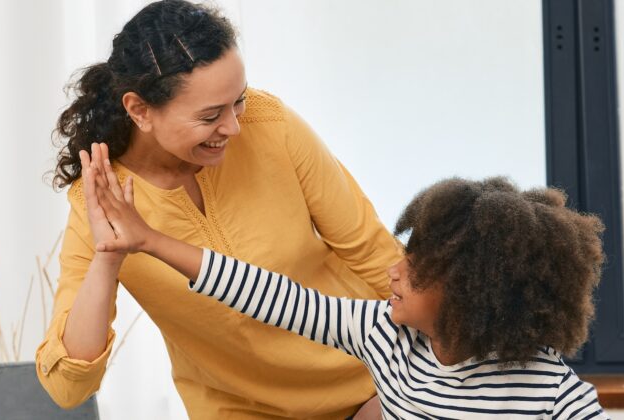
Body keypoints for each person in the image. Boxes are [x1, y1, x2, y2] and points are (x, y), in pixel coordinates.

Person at [35, 1, 403, 418]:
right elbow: (68, 386)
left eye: (238, 101)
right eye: (210, 115)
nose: (233, 127)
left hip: (376, 384)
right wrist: (108, 260)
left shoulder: (271, 126)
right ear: (139, 110)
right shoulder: (102, 202)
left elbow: (373, 253)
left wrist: (432, 376)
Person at [87, 164, 609, 419]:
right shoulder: (383, 334)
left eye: (417, 268)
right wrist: (151, 240)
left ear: (475, 295)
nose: (394, 272)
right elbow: (270, 294)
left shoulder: (544, 385)